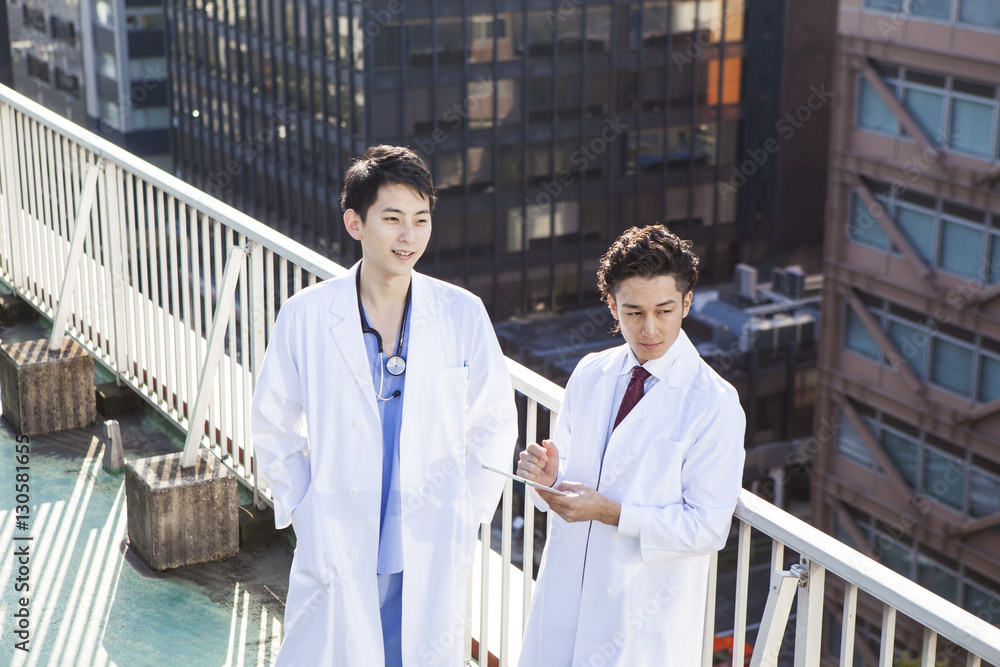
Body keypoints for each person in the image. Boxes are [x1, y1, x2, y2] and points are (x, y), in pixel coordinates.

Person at [251, 145, 518, 666]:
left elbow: (493, 420)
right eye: (392, 219)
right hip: (338, 528)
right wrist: (304, 510)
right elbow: (273, 421)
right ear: (355, 223)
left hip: (429, 530)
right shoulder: (306, 315)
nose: (409, 236)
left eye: (421, 220)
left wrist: (467, 510)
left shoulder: (462, 312)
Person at [516, 224, 746, 667]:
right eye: (634, 312)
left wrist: (612, 513)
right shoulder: (590, 372)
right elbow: (567, 488)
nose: (650, 328)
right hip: (566, 599)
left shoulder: (714, 404)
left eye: (664, 310)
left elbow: (709, 527)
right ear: (612, 306)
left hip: (639, 621)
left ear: (687, 303)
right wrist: (550, 479)